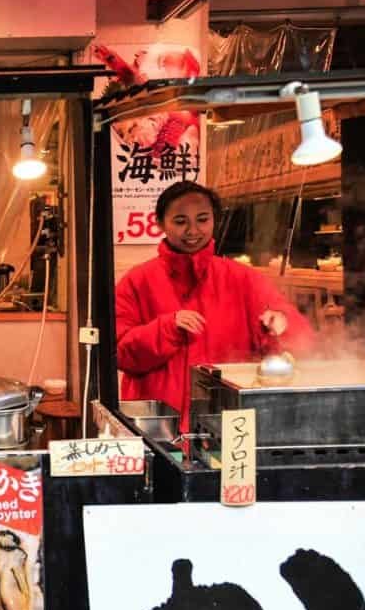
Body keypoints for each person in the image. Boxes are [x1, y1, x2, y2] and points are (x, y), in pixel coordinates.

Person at [115, 181, 314, 430]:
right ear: (160, 223)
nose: (192, 230)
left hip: (230, 424)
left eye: (202, 219)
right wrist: (166, 328)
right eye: (180, 221)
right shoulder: (137, 281)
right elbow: (119, 353)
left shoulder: (244, 279)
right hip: (158, 425)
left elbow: (301, 342)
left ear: (214, 220)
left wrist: (282, 326)